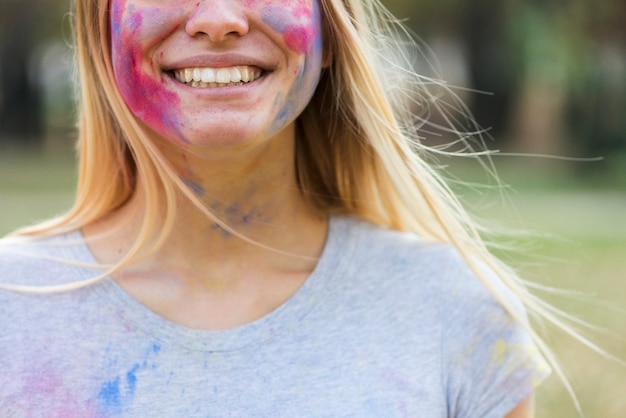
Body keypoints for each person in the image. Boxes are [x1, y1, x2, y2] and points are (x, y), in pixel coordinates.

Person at [0, 0, 551, 416]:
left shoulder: (456, 315)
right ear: (102, 29)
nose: (217, 20)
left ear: (331, 30)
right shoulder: (12, 307)